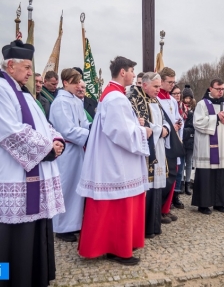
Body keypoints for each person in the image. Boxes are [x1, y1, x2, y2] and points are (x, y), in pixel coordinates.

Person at [0, 39, 65, 287]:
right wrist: (47, 149)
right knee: (9, 241)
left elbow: (43, 124)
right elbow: (10, 131)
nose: (30, 72)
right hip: (14, 175)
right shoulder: (2, 89)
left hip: (35, 174)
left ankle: (33, 278)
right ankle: (5, 279)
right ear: (10, 65)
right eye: (27, 67)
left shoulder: (23, 92)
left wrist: (56, 140)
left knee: (35, 231)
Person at [77, 56, 152, 266]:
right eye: (131, 71)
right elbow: (120, 132)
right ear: (122, 72)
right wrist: (143, 131)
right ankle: (119, 249)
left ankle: (112, 246)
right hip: (116, 161)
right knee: (119, 205)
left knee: (113, 205)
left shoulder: (110, 94)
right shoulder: (117, 98)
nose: (133, 75)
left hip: (111, 157)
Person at [50, 68, 90, 242]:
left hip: (78, 151)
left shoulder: (75, 101)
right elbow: (67, 130)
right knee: (66, 187)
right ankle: (61, 227)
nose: (78, 86)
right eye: (75, 82)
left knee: (77, 187)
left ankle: (75, 223)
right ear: (65, 82)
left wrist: (91, 131)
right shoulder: (60, 103)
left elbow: (85, 123)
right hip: (67, 151)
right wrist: (90, 135)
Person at [129, 71, 170, 238]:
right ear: (144, 85)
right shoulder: (134, 100)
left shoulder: (156, 99)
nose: (159, 90)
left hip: (159, 147)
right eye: (156, 86)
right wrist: (161, 130)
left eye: (160, 86)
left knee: (157, 187)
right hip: (146, 151)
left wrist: (166, 127)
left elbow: (164, 118)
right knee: (147, 188)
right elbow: (140, 124)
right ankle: (144, 228)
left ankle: (154, 225)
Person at [192, 78, 224, 215]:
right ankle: (203, 204)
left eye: (222, 89)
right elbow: (198, 123)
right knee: (206, 175)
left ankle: (220, 202)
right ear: (210, 88)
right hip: (206, 146)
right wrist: (216, 118)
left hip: (222, 146)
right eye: (218, 89)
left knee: (221, 174)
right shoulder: (202, 104)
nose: (220, 91)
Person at [157, 67, 185, 221]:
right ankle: (158, 210)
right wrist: (170, 127)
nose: (172, 85)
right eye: (169, 82)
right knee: (163, 177)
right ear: (161, 81)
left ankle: (166, 208)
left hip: (172, 143)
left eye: (174, 82)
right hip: (161, 143)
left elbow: (177, 117)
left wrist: (178, 124)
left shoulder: (173, 100)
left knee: (172, 176)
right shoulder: (156, 99)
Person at [170, 85, 189, 197]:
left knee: (180, 169)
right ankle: (171, 195)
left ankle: (176, 194)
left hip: (183, 140)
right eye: (175, 93)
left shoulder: (184, 108)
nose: (177, 95)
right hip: (173, 140)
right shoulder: (170, 105)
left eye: (179, 93)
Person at [182, 85, 196, 194]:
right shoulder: (180, 108)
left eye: (189, 98)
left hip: (191, 139)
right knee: (182, 162)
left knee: (189, 161)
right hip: (182, 138)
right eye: (185, 98)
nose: (187, 100)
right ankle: (181, 182)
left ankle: (187, 183)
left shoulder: (194, 109)